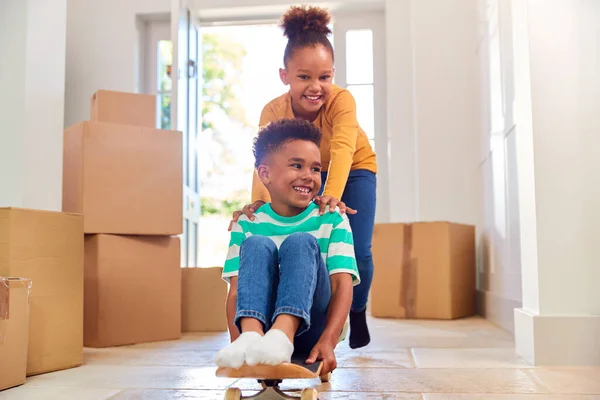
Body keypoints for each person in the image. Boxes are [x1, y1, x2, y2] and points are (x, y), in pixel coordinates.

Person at [229, 5, 376, 349]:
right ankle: (301, 307)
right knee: (303, 240)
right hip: (306, 170)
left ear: (333, 75)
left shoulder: (342, 101)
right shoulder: (272, 110)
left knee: (359, 249)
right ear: (285, 76)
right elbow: (265, 164)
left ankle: (357, 307)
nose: (315, 87)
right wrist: (258, 206)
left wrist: (333, 196)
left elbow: (341, 150)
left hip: (354, 168)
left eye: (324, 77)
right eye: (304, 77)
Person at [214, 119, 360, 375]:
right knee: (256, 244)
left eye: (315, 169)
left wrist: (328, 340)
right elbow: (236, 292)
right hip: (260, 330)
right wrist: (237, 341)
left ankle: (283, 335)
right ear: (265, 174)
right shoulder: (248, 223)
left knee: (300, 242)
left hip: (312, 328)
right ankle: (251, 336)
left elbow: (341, 285)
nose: (308, 176)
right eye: (297, 165)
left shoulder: (332, 218)